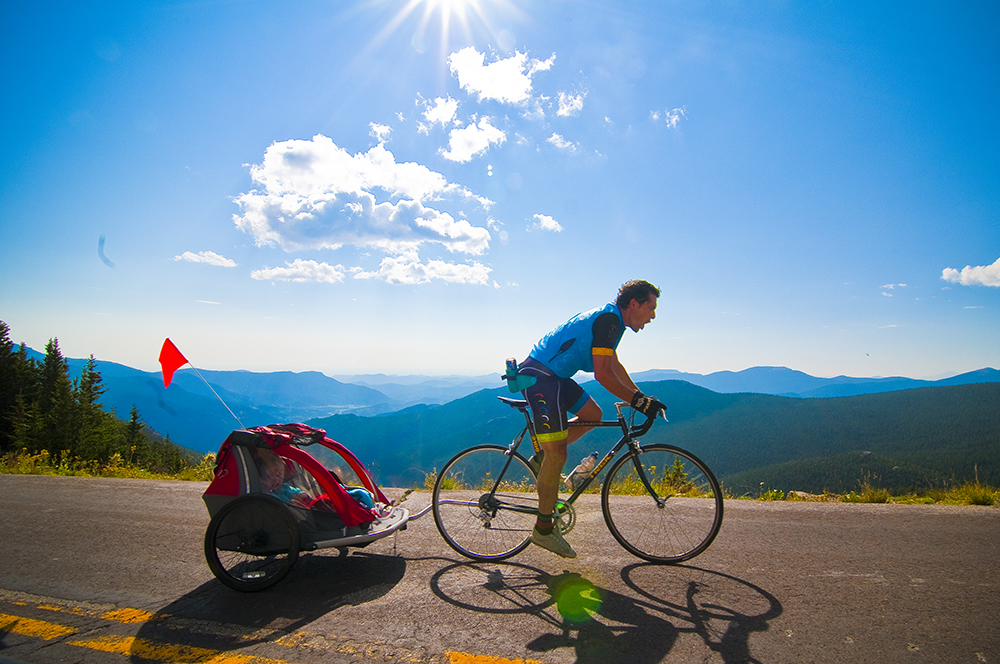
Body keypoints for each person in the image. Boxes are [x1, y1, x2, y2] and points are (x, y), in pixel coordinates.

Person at [515, 279, 665, 558]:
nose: (653, 315)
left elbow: (614, 365)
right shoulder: (609, 321)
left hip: (555, 376)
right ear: (634, 304)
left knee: (593, 415)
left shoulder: (612, 321)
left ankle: (540, 460)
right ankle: (543, 529)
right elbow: (603, 375)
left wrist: (641, 397)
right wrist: (637, 401)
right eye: (651, 307)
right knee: (557, 454)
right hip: (541, 377)